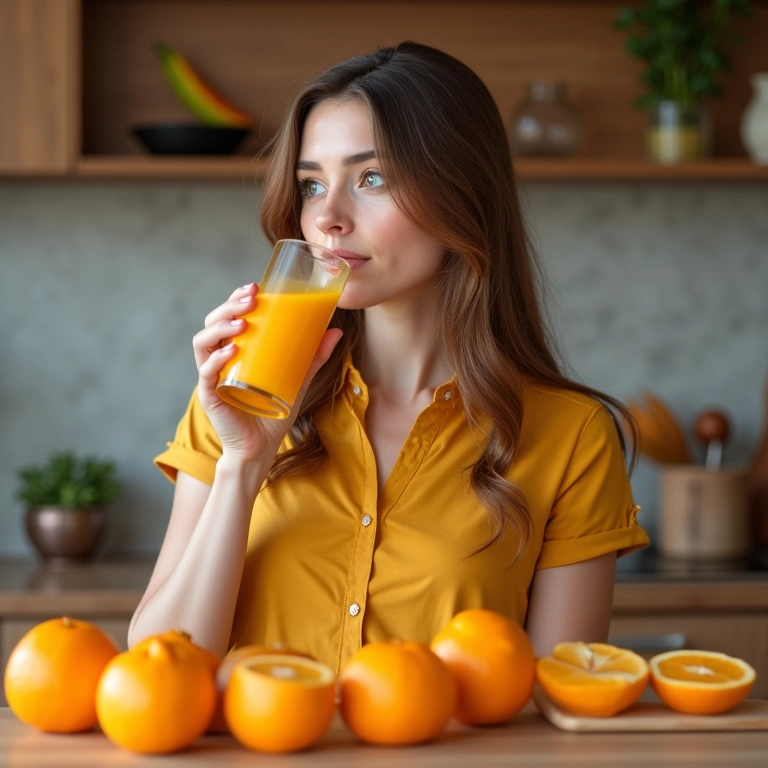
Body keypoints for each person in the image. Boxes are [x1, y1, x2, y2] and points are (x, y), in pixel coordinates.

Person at [129, 41, 649, 667]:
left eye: (371, 177)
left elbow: (556, 701)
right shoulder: (236, 399)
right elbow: (161, 663)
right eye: (311, 183)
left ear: (463, 191)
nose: (328, 218)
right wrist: (243, 465)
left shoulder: (571, 437)